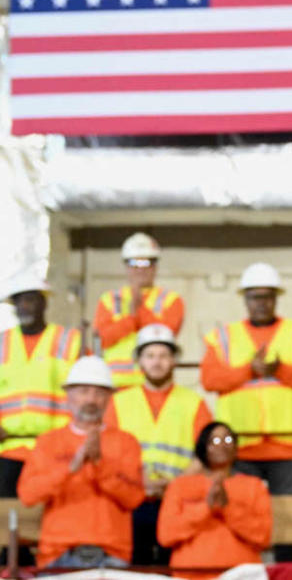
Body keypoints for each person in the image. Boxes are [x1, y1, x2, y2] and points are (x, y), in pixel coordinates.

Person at [201, 262, 292, 561]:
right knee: (239, 511)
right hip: (241, 445)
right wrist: (248, 370)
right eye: (255, 296)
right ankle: (243, 566)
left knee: (289, 516)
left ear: (276, 298)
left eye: (267, 296)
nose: (261, 302)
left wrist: (279, 369)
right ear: (245, 299)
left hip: (288, 443)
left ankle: (288, 571)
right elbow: (210, 379)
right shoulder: (223, 338)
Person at [17, 356, 144, 569]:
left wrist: (99, 465)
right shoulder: (48, 442)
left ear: (109, 399)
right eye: (84, 391)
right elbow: (28, 495)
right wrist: (70, 468)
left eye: (99, 393)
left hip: (112, 555)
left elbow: (133, 498)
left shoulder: (126, 443)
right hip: (57, 555)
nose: (91, 400)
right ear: (69, 395)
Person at [105, 323, 212, 567]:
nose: (157, 362)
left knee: (171, 565)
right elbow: (110, 453)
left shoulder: (194, 403)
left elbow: (205, 454)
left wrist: (174, 485)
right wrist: (139, 483)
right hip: (131, 499)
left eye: (164, 355)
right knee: (135, 565)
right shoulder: (118, 402)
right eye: (150, 355)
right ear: (139, 362)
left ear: (174, 360)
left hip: (178, 501)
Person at [158, 422, 272, 579]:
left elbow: (262, 536)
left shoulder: (254, 486)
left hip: (242, 575)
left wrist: (228, 507)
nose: (222, 446)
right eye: (215, 441)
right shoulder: (180, 485)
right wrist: (205, 507)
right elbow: (166, 535)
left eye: (228, 440)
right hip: (191, 575)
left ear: (236, 447)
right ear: (204, 447)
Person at [0, 279, 82, 496]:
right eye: (18, 302)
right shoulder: (2, 343)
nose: (23, 307)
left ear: (44, 303)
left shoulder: (69, 341)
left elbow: (85, 391)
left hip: (55, 448)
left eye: (30, 300)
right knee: (8, 517)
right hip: (9, 450)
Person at [93, 232, 185, 388]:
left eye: (147, 263)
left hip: (155, 385)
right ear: (126, 266)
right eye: (135, 263)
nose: (140, 269)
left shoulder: (171, 300)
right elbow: (103, 339)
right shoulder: (108, 299)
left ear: (155, 266)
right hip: (115, 385)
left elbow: (165, 334)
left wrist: (139, 309)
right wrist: (132, 319)